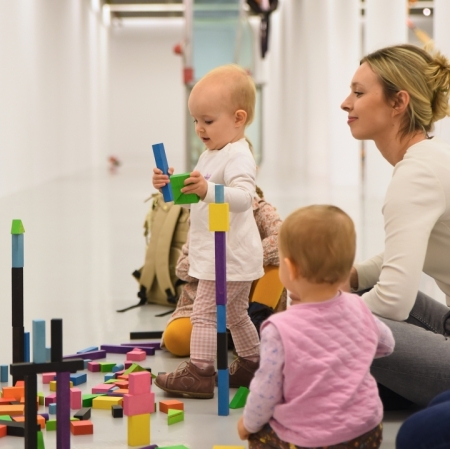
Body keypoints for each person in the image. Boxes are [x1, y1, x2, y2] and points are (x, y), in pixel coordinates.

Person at [341, 44, 450, 408]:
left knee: (334, 323)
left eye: (358, 93)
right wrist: (354, 276)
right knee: (351, 299)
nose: (346, 103)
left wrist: (315, 316)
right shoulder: (429, 159)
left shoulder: (416, 175)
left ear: (398, 102)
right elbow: (410, 248)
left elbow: (393, 302)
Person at [237, 205, 395, 449]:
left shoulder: (279, 327)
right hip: (365, 432)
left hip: (306, 440)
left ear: (289, 269)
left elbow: (266, 390)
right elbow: (386, 345)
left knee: (259, 437)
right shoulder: (359, 307)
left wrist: (248, 424)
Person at [152, 65, 264, 399]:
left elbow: (245, 199)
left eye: (208, 121)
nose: (200, 128)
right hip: (220, 252)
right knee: (234, 313)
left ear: (239, 118)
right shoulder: (212, 152)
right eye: (195, 121)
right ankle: (252, 363)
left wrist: (207, 190)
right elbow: (196, 202)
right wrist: (169, 188)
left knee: (203, 313)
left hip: (228, 254)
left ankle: (200, 372)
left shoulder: (239, 156)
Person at [162, 187, 287, 370]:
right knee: (175, 339)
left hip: (249, 292)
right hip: (207, 293)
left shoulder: (258, 208)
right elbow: (182, 267)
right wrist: (216, 260)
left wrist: (239, 256)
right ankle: (230, 336)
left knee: (276, 267)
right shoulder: (204, 210)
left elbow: (282, 242)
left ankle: (254, 323)